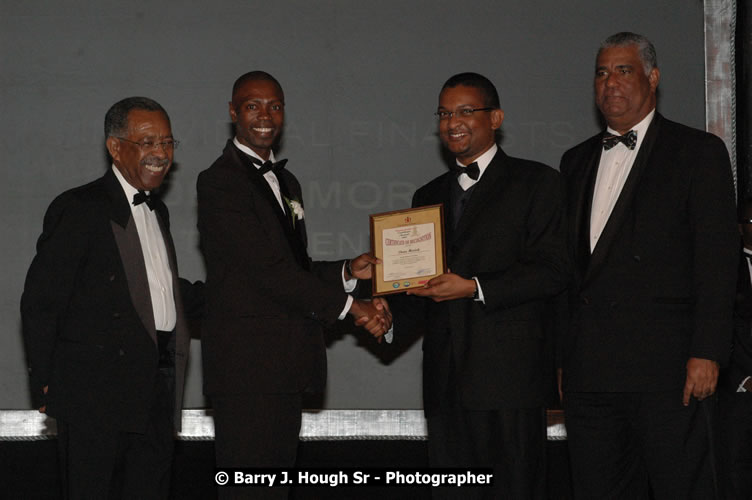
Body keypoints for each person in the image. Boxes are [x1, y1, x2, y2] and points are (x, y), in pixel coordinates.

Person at [558, 32, 738, 499]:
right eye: (601, 72)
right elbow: (569, 271)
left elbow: (718, 262)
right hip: (591, 375)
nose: (610, 83)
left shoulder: (697, 153)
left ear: (653, 78)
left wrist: (708, 351)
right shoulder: (574, 161)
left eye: (624, 70)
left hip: (670, 370)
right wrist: (563, 359)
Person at [196, 71, 391, 499]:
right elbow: (263, 272)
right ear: (233, 113)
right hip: (246, 373)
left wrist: (347, 271)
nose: (265, 116)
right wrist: (351, 308)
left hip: (284, 367)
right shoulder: (219, 182)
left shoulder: (287, 182)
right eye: (253, 106)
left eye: (275, 106)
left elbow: (291, 267)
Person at [21, 97, 202, 498]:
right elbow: (41, 300)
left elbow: (160, 291)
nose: (160, 153)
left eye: (168, 142)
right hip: (93, 397)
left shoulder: (159, 212)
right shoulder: (79, 208)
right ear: (115, 147)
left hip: (155, 392)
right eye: (148, 141)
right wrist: (46, 380)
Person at [402, 72, 567, 499]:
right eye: (444, 113)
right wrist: (384, 317)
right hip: (444, 380)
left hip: (509, 378)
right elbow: (423, 285)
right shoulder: (427, 195)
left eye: (465, 111)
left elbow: (552, 270)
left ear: (495, 117)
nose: (452, 122)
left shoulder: (537, 183)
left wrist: (474, 286)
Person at [719, 198, 752, 499]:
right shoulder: (726, 268)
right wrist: (742, 378)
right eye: (750, 223)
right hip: (740, 388)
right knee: (735, 467)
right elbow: (721, 325)